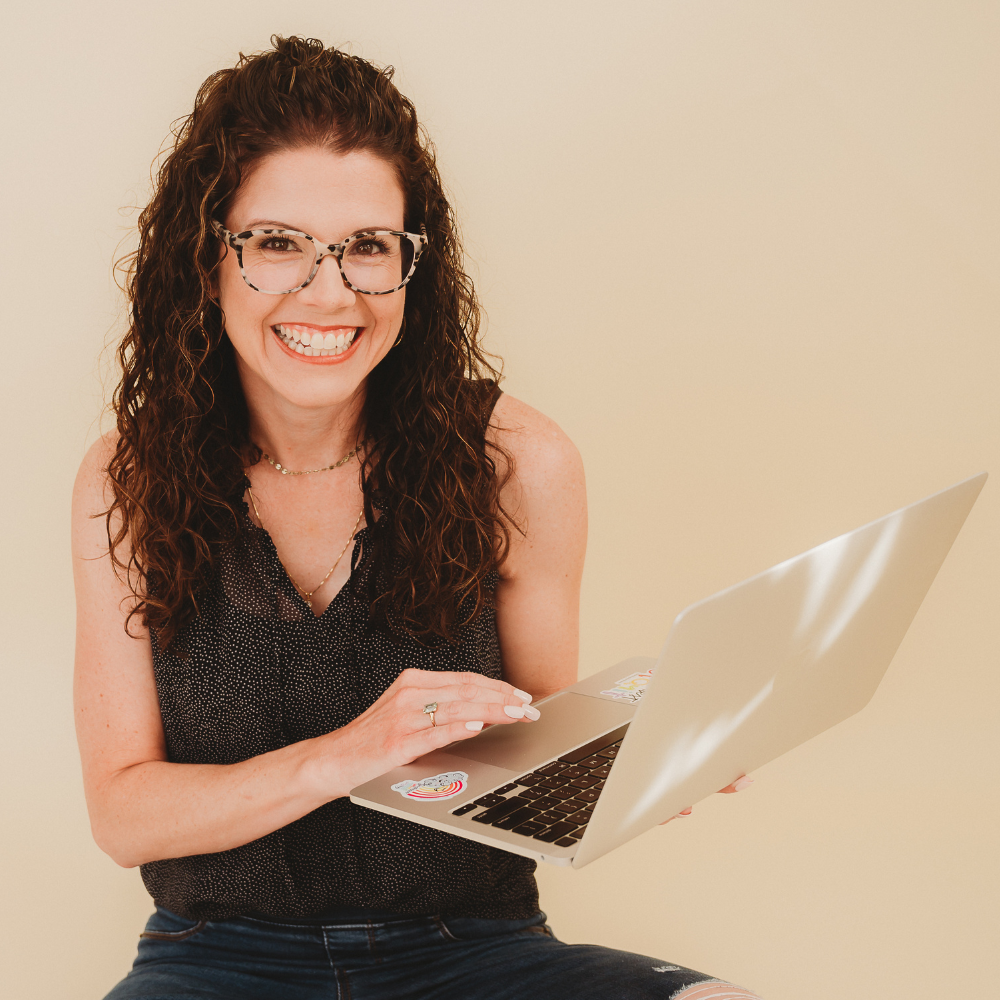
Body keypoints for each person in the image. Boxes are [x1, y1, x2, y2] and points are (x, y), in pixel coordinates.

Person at [72, 35, 761, 1000]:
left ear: (412, 264)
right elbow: (124, 814)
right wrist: (347, 754)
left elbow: (522, 766)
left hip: (476, 949)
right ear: (207, 258)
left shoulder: (518, 463)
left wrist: (632, 775)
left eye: (366, 248)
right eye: (277, 245)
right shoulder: (130, 476)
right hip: (217, 958)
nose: (330, 292)